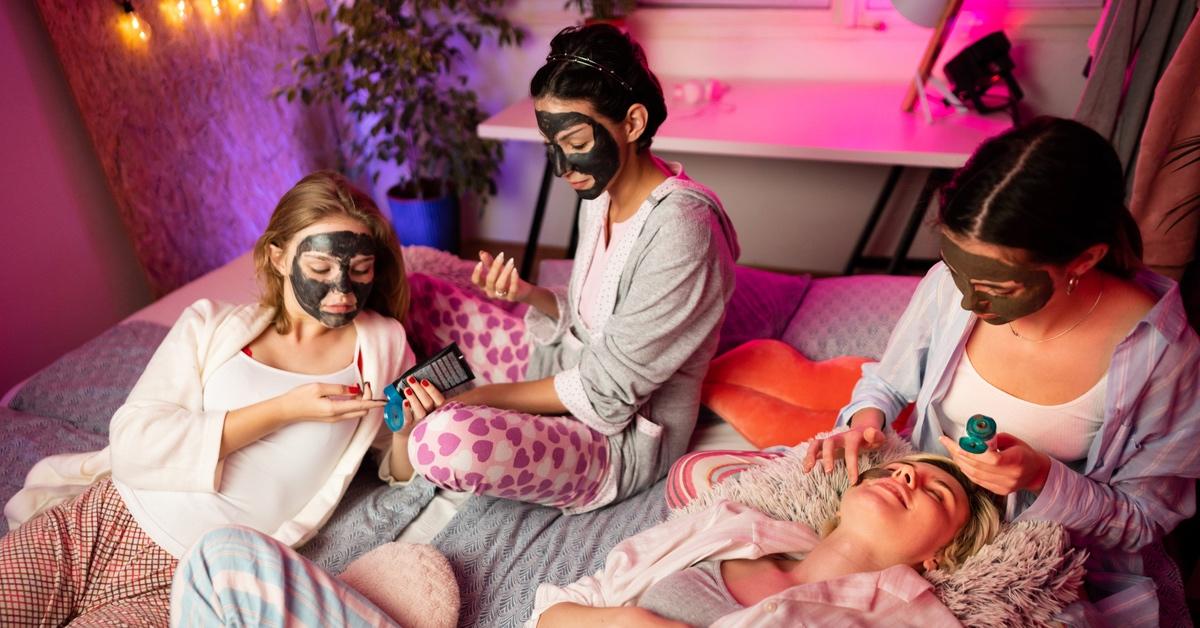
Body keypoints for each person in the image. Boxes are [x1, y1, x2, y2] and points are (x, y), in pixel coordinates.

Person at [674, 117, 1200, 625]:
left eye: (999, 288)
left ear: (1085, 259)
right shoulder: (951, 289)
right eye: (956, 270)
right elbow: (885, 382)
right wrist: (865, 422)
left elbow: (1145, 520)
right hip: (912, 525)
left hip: (1034, 564)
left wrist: (1043, 477)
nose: (970, 300)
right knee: (702, 480)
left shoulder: (1162, 354)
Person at [0, 171, 415, 625]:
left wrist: (406, 432)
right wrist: (285, 409)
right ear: (278, 257)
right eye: (319, 268)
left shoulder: (382, 347)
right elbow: (134, 440)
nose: (341, 290)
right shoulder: (210, 325)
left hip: (189, 579)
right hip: (99, 522)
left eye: (359, 270)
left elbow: (395, 471)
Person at [392, 23, 740, 513]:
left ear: (633, 123)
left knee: (441, 440)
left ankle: (452, 414)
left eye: (575, 142)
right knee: (422, 291)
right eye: (550, 146)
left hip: (618, 442)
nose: (562, 167)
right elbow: (594, 322)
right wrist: (529, 295)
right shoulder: (600, 194)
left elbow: (608, 392)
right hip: (563, 368)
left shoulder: (684, 229)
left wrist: (482, 399)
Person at [167, 454, 999, 627]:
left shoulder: (909, 615)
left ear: (941, 552)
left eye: (942, 493)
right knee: (223, 559)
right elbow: (562, 614)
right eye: (906, 465)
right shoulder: (730, 528)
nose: (913, 477)